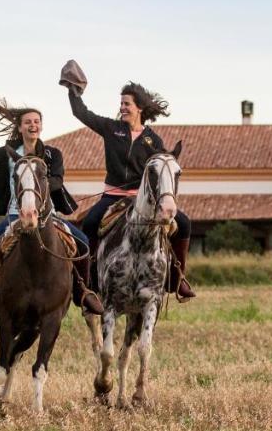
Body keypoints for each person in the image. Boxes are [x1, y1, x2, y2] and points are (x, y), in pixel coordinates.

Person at [0, 95, 104, 318]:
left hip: (48, 216)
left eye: (36, 121)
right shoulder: (8, 153)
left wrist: (37, 182)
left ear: (41, 126)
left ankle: (83, 291)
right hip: (15, 215)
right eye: (28, 122)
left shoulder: (53, 154)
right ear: (20, 127)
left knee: (83, 242)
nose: (33, 125)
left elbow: (58, 180)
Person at [66, 74, 195, 301]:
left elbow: (161, 167)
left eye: (127, 104)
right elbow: (81, 113)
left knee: (183, 223)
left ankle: (178, 279)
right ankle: (87, 284)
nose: (122, 107)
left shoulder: (152, 140)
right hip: (112, 196)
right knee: (89, 223)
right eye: (122, 103)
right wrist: (72, 90)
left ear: (139, 108)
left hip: (141, 199)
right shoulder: (110, 128)